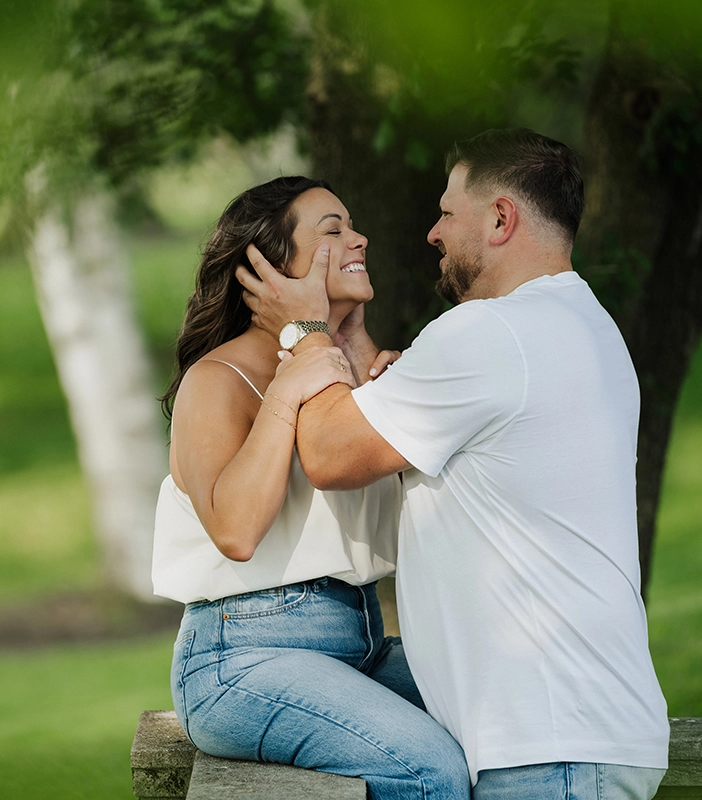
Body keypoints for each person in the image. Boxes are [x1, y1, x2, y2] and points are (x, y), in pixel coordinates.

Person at [237, 129, 671, 800]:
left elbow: (327, 452)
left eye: (446, 213)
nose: (432, 233)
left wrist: (304, 331)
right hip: (580, 736)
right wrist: (349, 340)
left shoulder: (489, 334)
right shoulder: (583, 324)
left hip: (547, 753)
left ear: (500, 219)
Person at [153, 176, 470, 800]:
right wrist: (288, 384)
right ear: (272, 268)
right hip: (241, 659)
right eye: (333, 232)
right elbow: (235, 531)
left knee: (504, 716)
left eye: (351, 226)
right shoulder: (218, 380)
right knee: (429, 771)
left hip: (362, 642)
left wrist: (366, 368)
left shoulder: (350, 380)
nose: (360, 239)